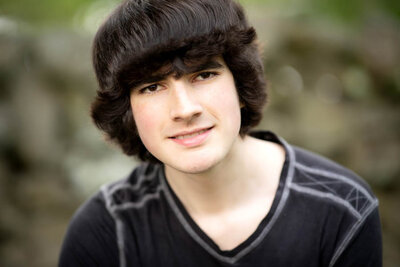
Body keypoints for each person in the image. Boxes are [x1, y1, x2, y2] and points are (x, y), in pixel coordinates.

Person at [59, 0, 382, 266]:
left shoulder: (341, 208)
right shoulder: (105, 229)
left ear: (240, 83)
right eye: (153, 86)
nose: (184, 109)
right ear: (127, 112)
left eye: (203, 74)